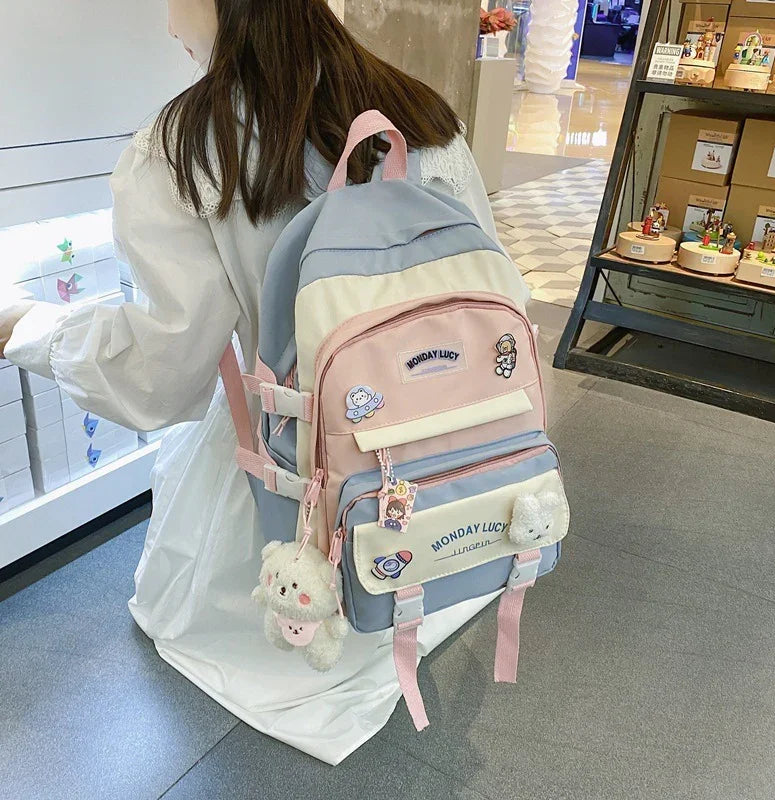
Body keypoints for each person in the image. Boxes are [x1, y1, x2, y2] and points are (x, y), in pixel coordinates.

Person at [0, 0, 500, 764]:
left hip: (287, 485)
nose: (169, 25)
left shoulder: (187, 148)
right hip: (436, 464)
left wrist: (28, 327)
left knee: (215, 615)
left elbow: (162, 376)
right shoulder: (417, 112)